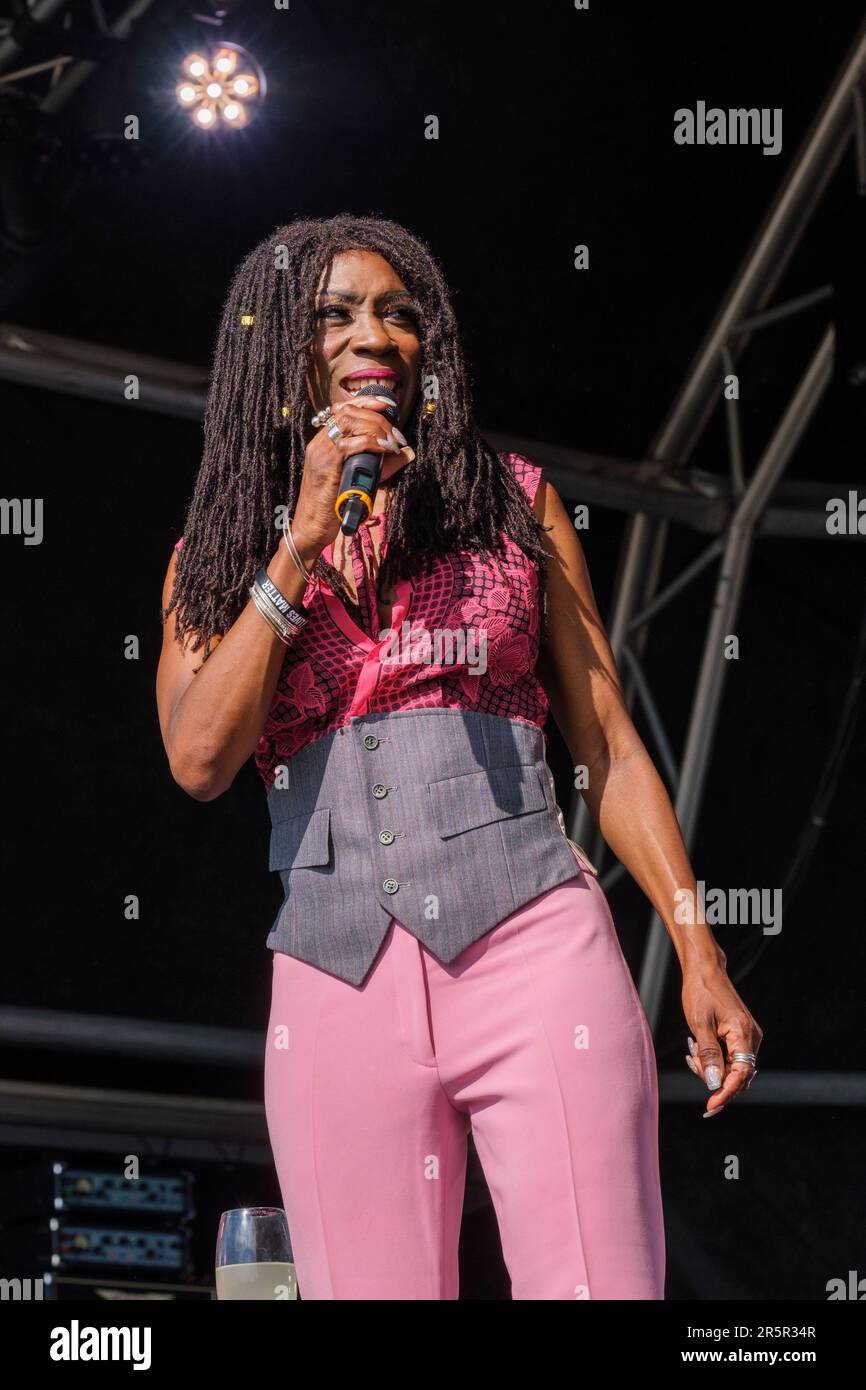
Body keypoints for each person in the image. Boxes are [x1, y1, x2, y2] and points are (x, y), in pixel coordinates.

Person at [156, 214, 762, 1301]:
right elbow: (200, 758)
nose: (373, 336)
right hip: (334, 973)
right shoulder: (219, 553)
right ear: (276, 351)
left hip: (531, 947)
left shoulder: (509, 503)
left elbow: (609, 745)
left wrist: (696, 943)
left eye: (397, 312)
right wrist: (297, 548)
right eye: (334, 315)